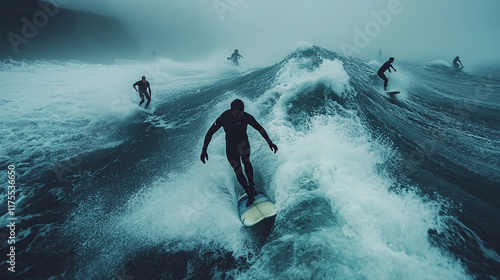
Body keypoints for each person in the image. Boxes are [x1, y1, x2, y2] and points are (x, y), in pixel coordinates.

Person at [200, 99, 278, 207]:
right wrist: (204, 150)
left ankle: (251, 185)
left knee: (246, 162)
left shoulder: (246, 117)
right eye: (236, 113)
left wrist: (270, 143)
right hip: (231, 148)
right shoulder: (224, 118)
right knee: (238, 170)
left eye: (240, 113)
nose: (238, 116)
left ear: (243, 111)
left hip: (243, 144)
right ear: (231, 110)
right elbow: (210, 133)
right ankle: (249, 194)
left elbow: (260, 128)